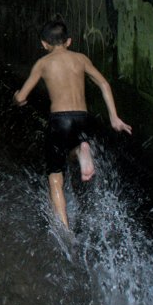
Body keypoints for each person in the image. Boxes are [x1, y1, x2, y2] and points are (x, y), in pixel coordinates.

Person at [13, 19, 132, 227]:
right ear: (68, 41)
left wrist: (16, 98)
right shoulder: (81, 59)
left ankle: (64, 230)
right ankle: (80, 150)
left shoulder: (43, 64)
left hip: (59, 120)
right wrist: (114, 117)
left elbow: (22, 97)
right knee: (71, 148)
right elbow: (104, 83)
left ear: (44, 44)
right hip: (83, 118)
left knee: (55, 177)